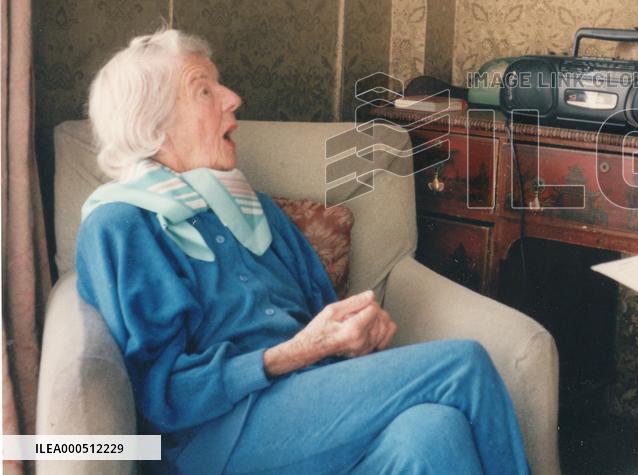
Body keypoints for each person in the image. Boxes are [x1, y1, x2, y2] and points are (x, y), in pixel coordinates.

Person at [76, 28, 531, 474]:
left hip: (305, 406)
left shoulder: (251, 208)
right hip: (214, 435)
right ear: (153, 122)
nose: (232, 98)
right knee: (463, 364)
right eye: (204, 91)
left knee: (433, 431)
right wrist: (296, 353)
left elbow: (320, 317)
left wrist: (354, 337)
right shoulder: (121, 225)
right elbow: (163, 394)